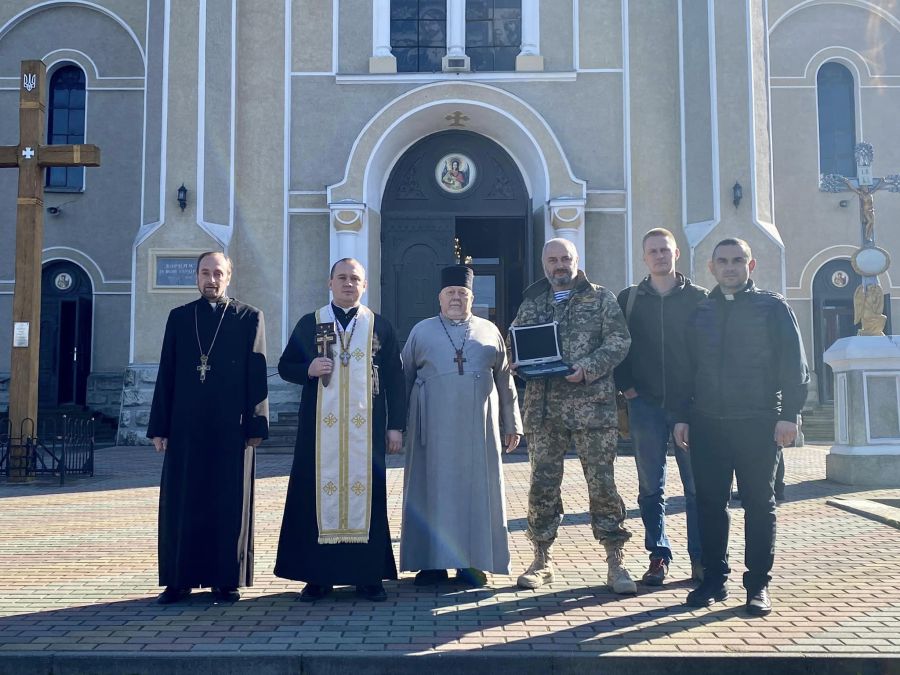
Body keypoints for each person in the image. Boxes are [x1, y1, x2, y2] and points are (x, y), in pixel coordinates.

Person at [674, 238, 808, 616]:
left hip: (758, 422)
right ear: (712, 268)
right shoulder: (700, 312)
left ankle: (758, 586)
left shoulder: (773, 308)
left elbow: (793, 365)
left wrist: (789, 415)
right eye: (723, 261)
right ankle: (714, 580)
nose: (730, 267)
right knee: (711, 504)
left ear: (750, 267)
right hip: (708, 425)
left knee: (759, 505)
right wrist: (682, 416)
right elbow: (687, 370)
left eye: (737, 261)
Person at [274, 258, 406, 602]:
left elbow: (395, 378)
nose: (349, 284)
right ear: (330, 283)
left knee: (369, 499)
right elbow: (285, 366)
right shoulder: (311, 322)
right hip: (319, 433)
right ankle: (318, 578)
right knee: (314, 497)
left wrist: (396, 427)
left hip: (368, 431)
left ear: (364, 286)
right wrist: (309, 368)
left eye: (355, 279)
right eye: (342, 278)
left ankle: (368, 576)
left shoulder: (380, 326)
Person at [511, 238, 637, 594]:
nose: (559, 265)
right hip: (544, 410)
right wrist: (517, 362)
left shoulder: (601, 298)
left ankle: (616, 562)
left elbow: (619, 342)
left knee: (602, 486)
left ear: (576, 261)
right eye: (552, 259)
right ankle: (541, 560)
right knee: (542, 488)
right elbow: (513, 341)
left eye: (565, 258)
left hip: (592, 409)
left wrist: (587, 368)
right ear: (543, 264)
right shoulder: (533, 302)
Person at [147, 251, 269, 605]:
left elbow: (256, 374)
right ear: (196, 277)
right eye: (205, 273)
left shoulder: (249, 317)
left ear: (229, 276)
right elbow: (166, 372)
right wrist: (160, 426)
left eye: (218, 273)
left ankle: (225, 579)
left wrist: (257, 423)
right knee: (183, 502)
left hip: (232, 426)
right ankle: (178, 579)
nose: (211, 280)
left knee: (228, 501)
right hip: (185, 427)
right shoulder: (180, 318)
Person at [400, 264, 523, 587]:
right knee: (430, 492)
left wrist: (513, 424)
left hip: (477, 432)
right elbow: (404, 378)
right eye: (450, 293)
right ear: (439, 298)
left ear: (471, 297)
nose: (456, 298)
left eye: (462, 293)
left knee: (476, 493)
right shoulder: (421, 331)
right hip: (431, 431)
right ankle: (431, 564)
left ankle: (473, 563)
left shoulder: (489, 331)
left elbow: (505, 379)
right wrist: (397, 426)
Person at [614, 228, 706, 586]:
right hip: (645, 406)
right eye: (653, 251)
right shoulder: (630, 299)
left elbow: (709, 352)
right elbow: (619, 345)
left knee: (697, 485)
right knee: (650, 486)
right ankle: (658, 556)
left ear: (676, 253)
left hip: (691, 407)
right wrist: (628, 388)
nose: (659, 256)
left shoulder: (699, 298)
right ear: (644, 257)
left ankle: (700, 557)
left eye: (665, 250)